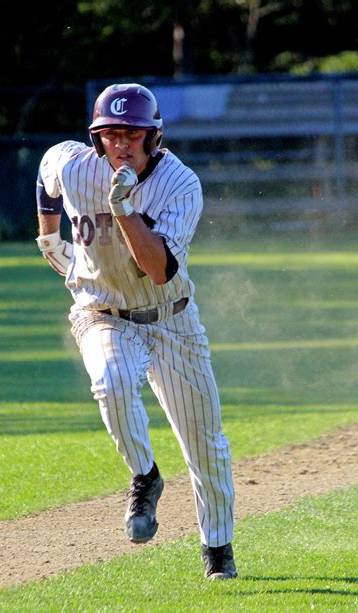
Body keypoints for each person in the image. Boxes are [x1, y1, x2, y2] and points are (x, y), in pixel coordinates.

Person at [35, 83, 237, 579]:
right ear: (96, 136)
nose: (120, 144)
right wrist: (47, 232)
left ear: (154, 138)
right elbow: (46, 172)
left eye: (133, 134)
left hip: (171, 318)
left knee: (204, 443)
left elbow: (160, 270)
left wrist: (122, 208)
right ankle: (145, 477)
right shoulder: (76, 165)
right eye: (110, 133)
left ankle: (218, 551)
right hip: (101, 310)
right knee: (111, 381)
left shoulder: (180, 185)